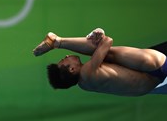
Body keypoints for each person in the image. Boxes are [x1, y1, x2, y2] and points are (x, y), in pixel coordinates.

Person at [32, 28, 167, 96]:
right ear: (72, 69)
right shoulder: (87, 72)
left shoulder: (85, 85)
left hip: (150, 84)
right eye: (63, 60)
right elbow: (107, 41)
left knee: (105, 56)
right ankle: (58, 42)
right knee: (108, 53)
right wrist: (98, 33)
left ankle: (57, 42)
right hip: (153, 65)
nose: (66, 56)